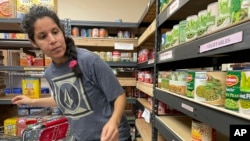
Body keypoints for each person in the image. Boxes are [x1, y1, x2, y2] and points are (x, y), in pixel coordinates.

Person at [11, 5, 131, 141]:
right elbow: (66, 100)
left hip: (114, 137)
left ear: (62, 31)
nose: (52, 40)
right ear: (34, 43)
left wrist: (114, 122)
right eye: (43, 36)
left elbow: (119, 95)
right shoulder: (50, 73)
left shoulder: (90, 61)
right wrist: (32, 101)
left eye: (55, 32)